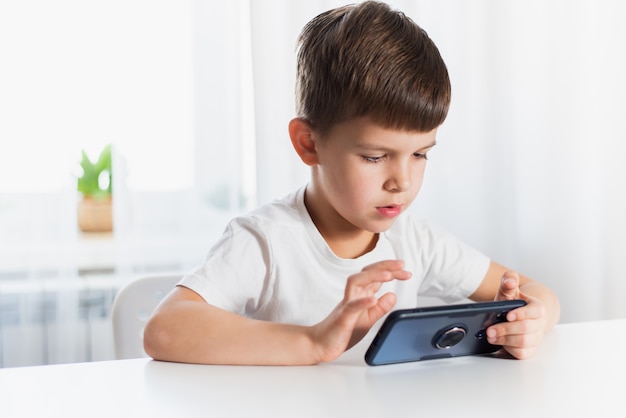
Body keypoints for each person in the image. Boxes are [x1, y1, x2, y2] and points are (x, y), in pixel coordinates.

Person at [143, 1, 560, 365]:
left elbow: (537, 292)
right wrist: (312, 342)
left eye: (420, 154)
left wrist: (531, 319)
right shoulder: (266, 241)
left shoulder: (415, 240)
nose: (402, 180)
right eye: (375, 157)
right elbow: (164, 329)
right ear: (309, 144)